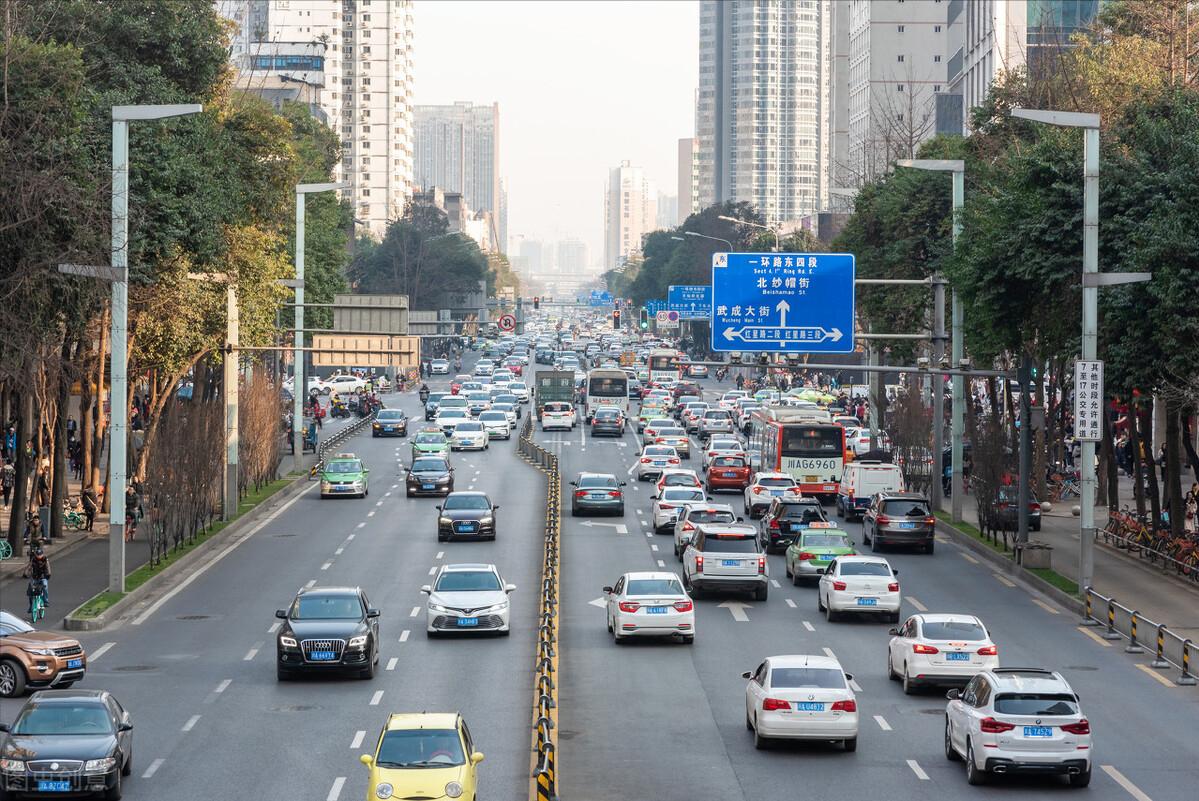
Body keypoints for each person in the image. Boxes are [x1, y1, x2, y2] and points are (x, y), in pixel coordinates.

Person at [23, 543, 51, 609]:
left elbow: (48, 568)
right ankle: (31, 606)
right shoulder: (34, 559)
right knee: (31, 591)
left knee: (45, 586)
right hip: (35, 577)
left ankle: (46, 601)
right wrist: (25, 573)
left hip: (43, 576)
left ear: (42, 554)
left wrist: (48, 574)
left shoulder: (45, 560)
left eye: (40, 555)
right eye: (38, 555)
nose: (39, 556)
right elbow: (29, 567)